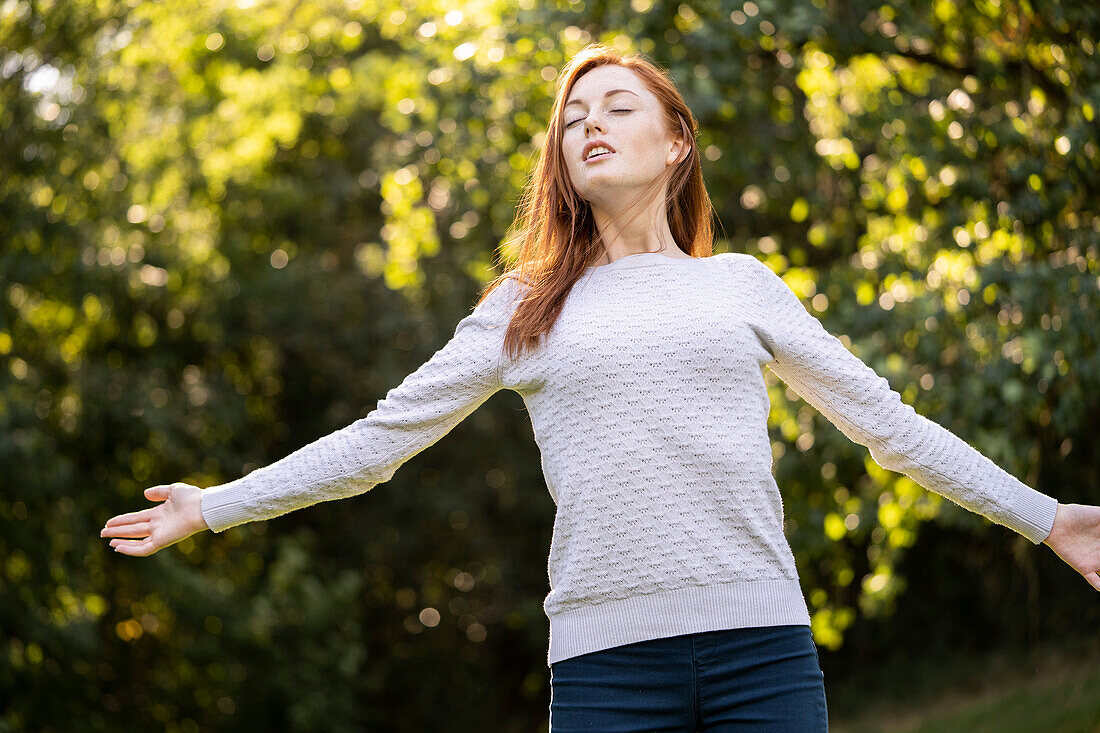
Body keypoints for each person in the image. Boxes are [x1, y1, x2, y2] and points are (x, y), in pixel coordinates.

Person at [101, 43, 1099, 731]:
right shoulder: (520, 307)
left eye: (617, 108)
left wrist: (1045, 517)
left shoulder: (739, 285)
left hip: (764, 650)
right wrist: (215, 506)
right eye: (572, 118)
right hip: (604, 670)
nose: (589, 125)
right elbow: (377, 443)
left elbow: (887, 427)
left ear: (675, 142)